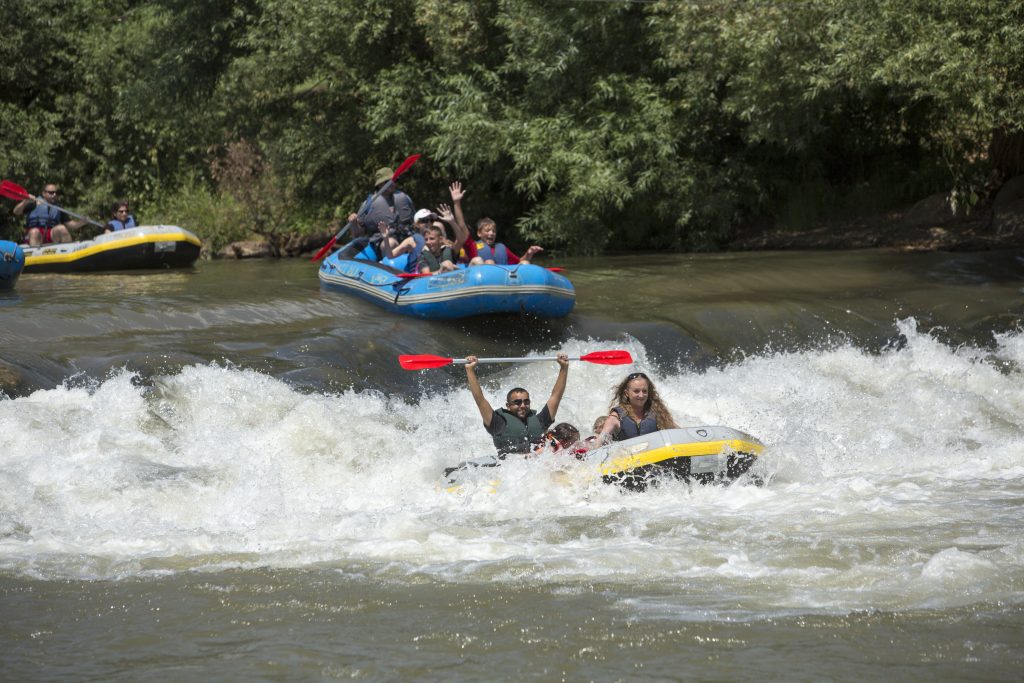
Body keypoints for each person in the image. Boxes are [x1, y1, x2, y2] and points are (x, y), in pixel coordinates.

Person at [465, 353, 570, 457]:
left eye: (526, 402)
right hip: (510, 470)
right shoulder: (497, 423)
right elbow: (480, 400)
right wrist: (470, 370)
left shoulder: (540, 421)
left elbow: (556, 396)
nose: (523, 405)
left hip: (537, 467)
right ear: (508, 406)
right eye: (517, 402)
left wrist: (564, 367)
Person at [598, 371, 679, 442]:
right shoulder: (616, 417)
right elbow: (600, 440)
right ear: (627, 393)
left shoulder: (658, 413)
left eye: (644, 391)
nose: (641, 395)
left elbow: (679, 432)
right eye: (636, 391)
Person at [347, 166, 416, 247]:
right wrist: (353, 223)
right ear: (379, 184)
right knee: (390, 244)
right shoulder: (368, 204)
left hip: (406, 236)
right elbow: (359, 234)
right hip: (384, 241)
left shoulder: (405, 198)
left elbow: (415, 222)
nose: (393, 183)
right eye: (388, 181)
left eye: (395, 180)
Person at [12, 183, 78, 246]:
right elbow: (16, 212)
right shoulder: (34, 203)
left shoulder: (59, 207)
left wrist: (83, 222)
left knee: (62, 228)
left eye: (56, 193)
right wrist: (25, 201)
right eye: (51, 192)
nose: (54, 194)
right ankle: (35, 255)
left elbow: (70, 224)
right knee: (35, 232)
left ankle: (69, 252)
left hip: (51, 234)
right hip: (33, 234)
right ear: (44, 193)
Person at [474, 217, 543, 265]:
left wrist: (529, 253)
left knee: (525, 263)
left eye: (494, 231)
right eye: (487, 231)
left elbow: (519, 262)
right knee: (489, 262)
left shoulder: (501, 248)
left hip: (503, 280)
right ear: (479, 233)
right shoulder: (473, 247)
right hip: (481, 279)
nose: (491, 233)